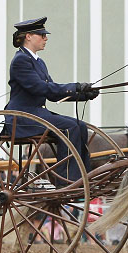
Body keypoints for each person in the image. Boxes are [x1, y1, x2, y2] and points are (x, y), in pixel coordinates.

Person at [5, 17, 100, 182]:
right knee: (70, 127)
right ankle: (66, 181)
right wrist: (76, 86)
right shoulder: (20, 61)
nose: (45, 38)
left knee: (80, 126)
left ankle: (83, 177)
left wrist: (84, 94)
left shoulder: (39, 62)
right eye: (41, 35)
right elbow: (40, 88)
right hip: (23, 117)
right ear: (28, 36)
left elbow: (53, 93)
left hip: (37, 114)